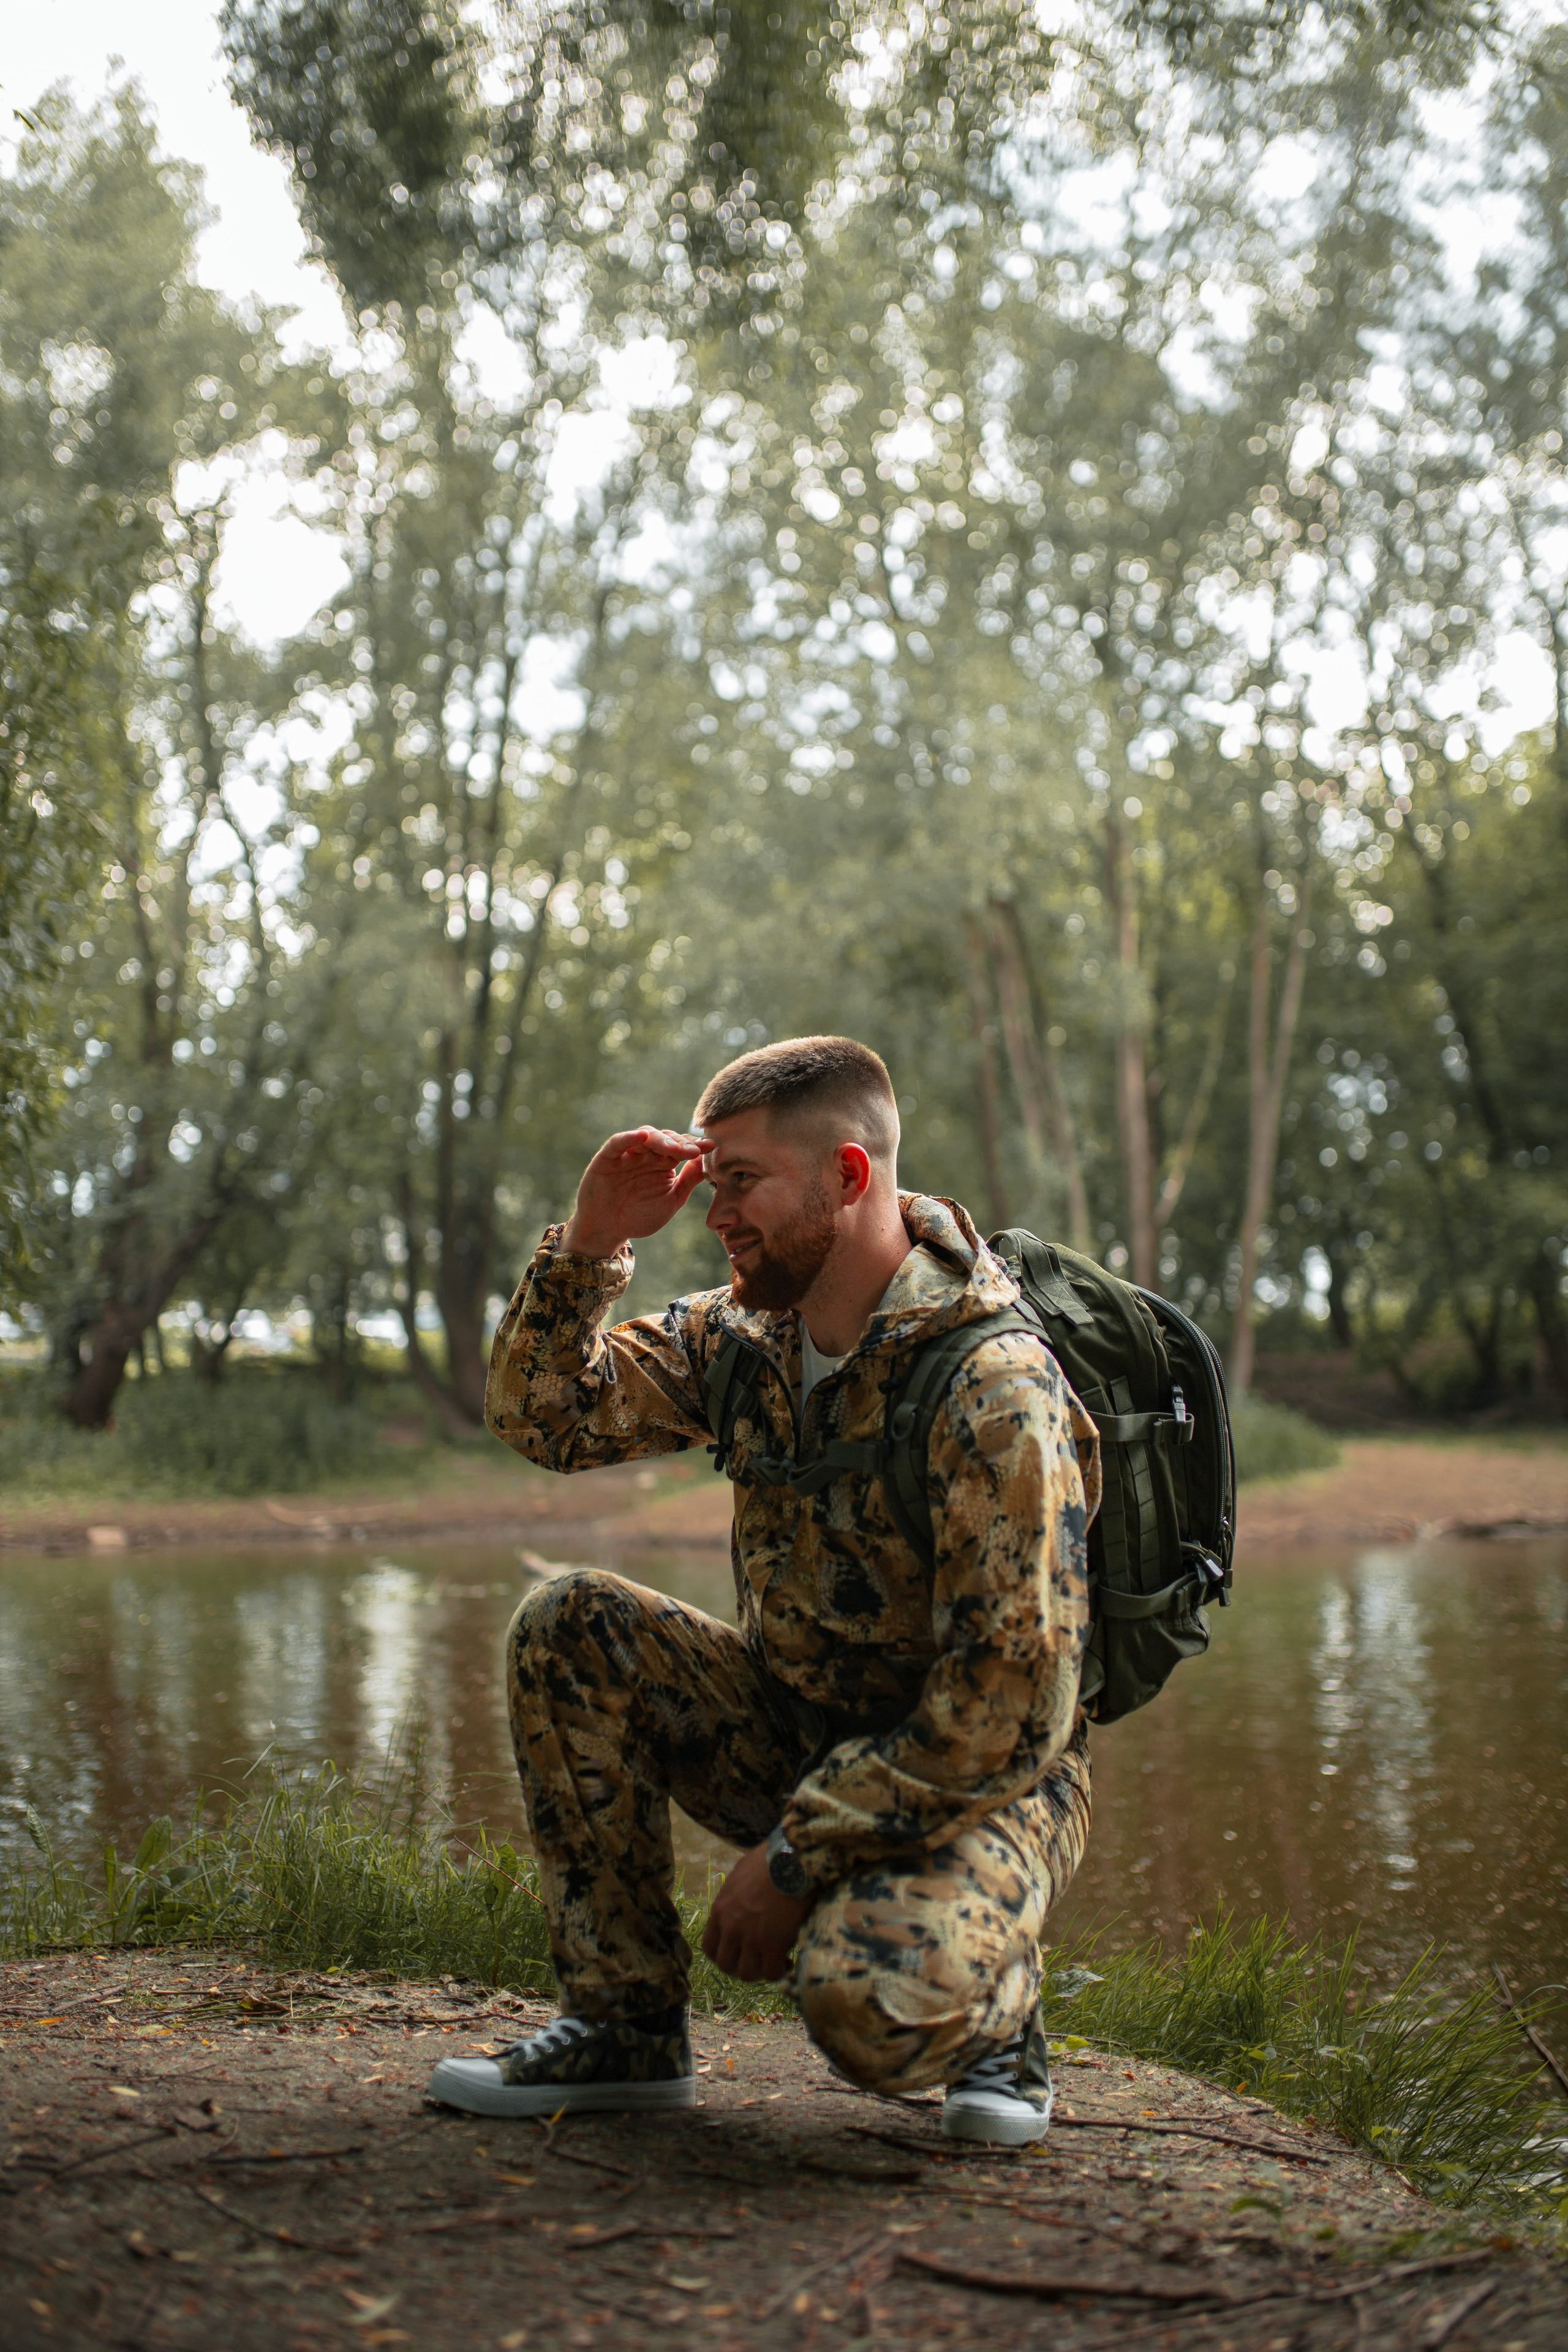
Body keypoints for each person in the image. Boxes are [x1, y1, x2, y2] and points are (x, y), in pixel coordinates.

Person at [429, 1035, 1099, 2144]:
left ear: (846, 1176)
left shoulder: (991, 1384)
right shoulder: (744, 1340)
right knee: (572, 1625)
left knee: (863, 2005)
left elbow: (1009, 1710)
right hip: (798, 1729)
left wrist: (794, 1861)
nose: (714, 1212)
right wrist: (591, 1239)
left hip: (985, 1779)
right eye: (709, 1178)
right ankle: (623, 2027)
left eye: (739, 1181)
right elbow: (542, 1416)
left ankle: (997, 2017)